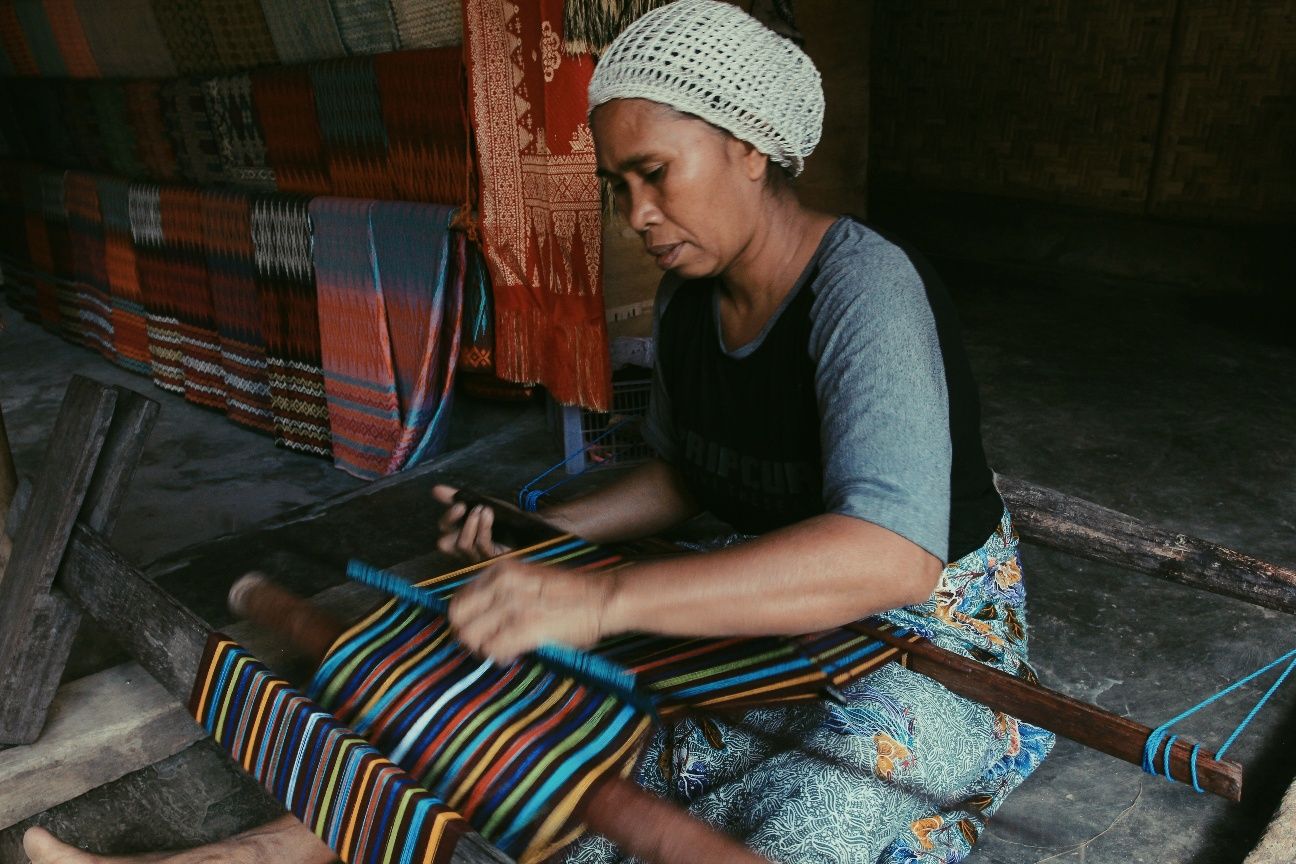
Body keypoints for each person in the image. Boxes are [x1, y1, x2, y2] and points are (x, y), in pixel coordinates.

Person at [24, 2, 1051, 863]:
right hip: (777, 605)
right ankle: (246, 856)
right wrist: (535, 530)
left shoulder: (864, 290)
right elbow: (688, 478)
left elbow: (889, 555)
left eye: (655, 172)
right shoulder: (695, 301)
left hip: (929, 642)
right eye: (618, 185)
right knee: (543, 731)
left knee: (809, 813)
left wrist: (597, 597)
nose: (637, 212)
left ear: (748, 145)